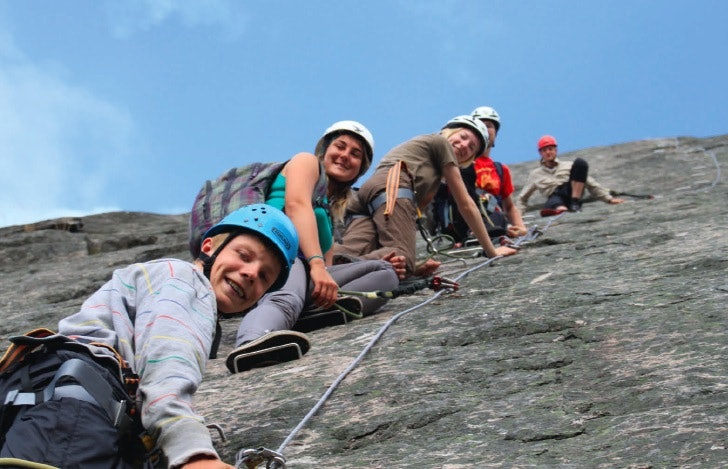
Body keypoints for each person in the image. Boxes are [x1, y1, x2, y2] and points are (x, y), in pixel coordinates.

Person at [0, 204, 299, 468]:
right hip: (74, 418)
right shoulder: (187, 282)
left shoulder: (164, 278)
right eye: (244, 256)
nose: (251, 273)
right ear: (209, 247)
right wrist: (196, 455)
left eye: (264, 276)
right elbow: (167, 367)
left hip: (46, 407)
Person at [228, 121, 401, 372]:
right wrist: (317, 265)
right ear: (325, 149)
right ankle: (253, 342)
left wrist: (322, 273)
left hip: (304, 269)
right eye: (340, 146)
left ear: (359, 169)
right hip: (276, 251)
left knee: (385, 273)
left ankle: (311, 314)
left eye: (355, 154)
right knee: (287, 292)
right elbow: (296, 204)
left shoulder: (327, 211)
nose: (345, 156)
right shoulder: (306, 162)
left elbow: (327, 270)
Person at [335, 116, 518, 278]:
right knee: (400, 259)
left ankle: (324, 271)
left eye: (472, 147)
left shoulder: (431, 173)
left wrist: (414, 268)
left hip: (371, 195)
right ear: (449, 132)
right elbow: (466, 204)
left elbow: (410, 218)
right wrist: (491, 251)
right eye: (463, 137)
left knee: (351, 251)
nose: (464, 146)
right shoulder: (440, 142)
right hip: (392, 187)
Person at [434, 106, 528, 244]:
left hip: (492, 218)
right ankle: (474, 232)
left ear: (496, 133)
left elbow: (509, 206)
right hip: (458, 217)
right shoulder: (459, 161)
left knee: (491, 203)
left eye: (489, 125)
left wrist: (521, 228)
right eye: (480, 123)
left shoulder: (500, 169)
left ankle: (490, 231)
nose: (484, 127)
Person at [517, 135, 624, 216]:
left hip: (571, 191)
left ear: (556, 150)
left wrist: (609, 199)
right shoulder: (535, 174)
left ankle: (574, 203)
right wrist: (518, 216)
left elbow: (590, 183)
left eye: (550, 149)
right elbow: (523, 197)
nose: (548, 152)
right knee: (555, 203)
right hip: (554, 197)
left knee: (580, 163)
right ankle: (562, 210)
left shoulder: (569, 165)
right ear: (540, 153)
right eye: (544, 150)